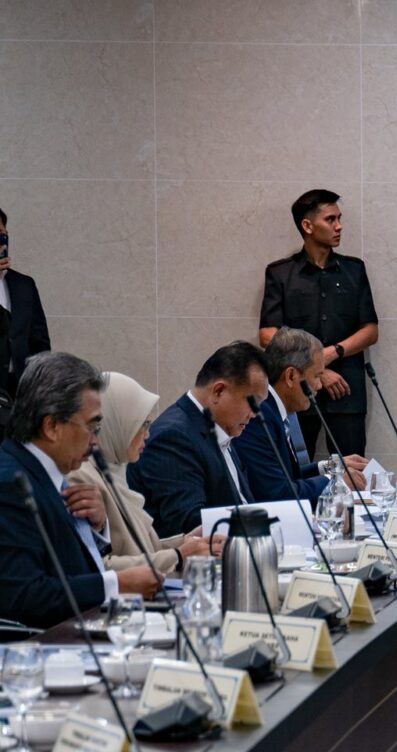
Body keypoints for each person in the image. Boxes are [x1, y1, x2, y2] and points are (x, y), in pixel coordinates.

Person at [0, 354, 158, 630]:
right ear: (52, 427)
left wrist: (96, 528)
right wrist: (117, 584)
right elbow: (25, 596)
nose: (95, 440)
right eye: (92, 427)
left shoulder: (45, 473)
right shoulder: (11, 484)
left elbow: (64, 563)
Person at [258, 189, 379, 460]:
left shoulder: (354, 270)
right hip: (297, 389)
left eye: (339, 218)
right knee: (294, 468)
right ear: (308, 226)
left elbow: (370, 331)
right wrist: (316, 368)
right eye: (330, 219)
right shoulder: (280, 273)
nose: (339, 226)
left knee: (353, 472)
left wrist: (330, 354)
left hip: (346, 391)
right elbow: (267, 335)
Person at [67, 371, 222, 576]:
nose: (147, 434)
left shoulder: (115, 470)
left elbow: (142, 550)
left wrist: (185, 542)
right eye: (142, 424)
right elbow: (98, 566)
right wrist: (179, 555)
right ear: (116, 422)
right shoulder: (81, 477)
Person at [129, 340, 269, 537]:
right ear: (218, 391)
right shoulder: (173, 437)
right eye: (253, 402)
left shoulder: (219, 428)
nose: (254, 414)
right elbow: (189, 524)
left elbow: (241, 501)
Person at [235, 327, 367, 502]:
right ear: (291, 376)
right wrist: (335, 482)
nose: (319, 386)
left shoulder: (274, 409)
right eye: (317, 376)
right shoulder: (259, 417)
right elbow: (278, 494)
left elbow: (287, 476)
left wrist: (330, 467)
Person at [0, 208, 53, 418]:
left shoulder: (24, 285)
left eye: (2, 234)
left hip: (20, 393)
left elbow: (40, 342)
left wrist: (39, 388)